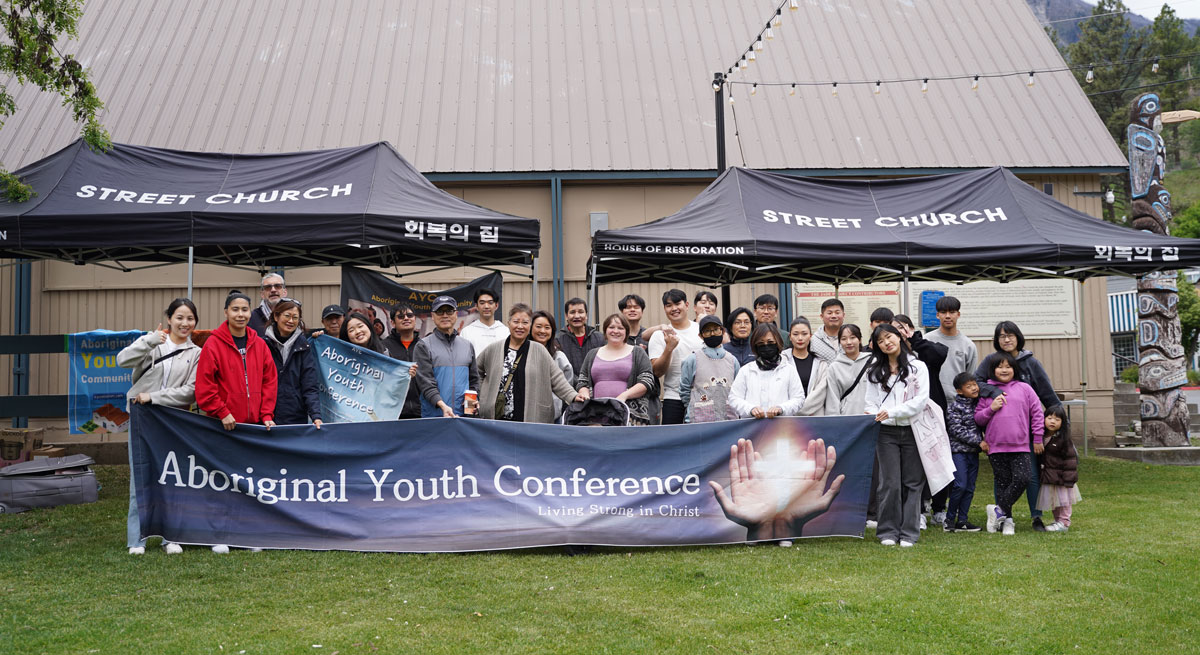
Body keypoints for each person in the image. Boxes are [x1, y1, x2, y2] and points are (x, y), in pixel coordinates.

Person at [196, 291, 277, 554]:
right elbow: (205, 387)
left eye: (244, 310)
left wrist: (266, 415)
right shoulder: (213, 344)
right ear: (226, 312)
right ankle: (220, 535)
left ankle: (249, 535)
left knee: (250, 484)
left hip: (252, 429)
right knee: (222, 483)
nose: (240, 314)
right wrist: (222, 411)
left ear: (250, 313)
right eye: (235, 309)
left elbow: (269, 381)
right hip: (223, 427)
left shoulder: (260, 344)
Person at [118, 298, 201, 556]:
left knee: (173, 479)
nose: (184, 323)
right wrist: (150, 340)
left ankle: (171, 537)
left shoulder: (196, 353)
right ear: (169, 319)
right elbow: (122, 360)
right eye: (179, 317)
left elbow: (190, 391)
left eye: (190, 318)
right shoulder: (153, 343)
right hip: (143, 419)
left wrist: (153, 397)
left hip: (174, 422)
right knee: (140, 477)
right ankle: (137, 539)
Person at [974, 320, 1060, 531]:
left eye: (1010, 335)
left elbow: (1046, 393)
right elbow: (977, 385)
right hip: (998, 433)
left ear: (1018, 337)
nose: (1006, 339)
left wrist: (1057, 423)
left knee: (1030, 475)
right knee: (1002, 477)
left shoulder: (1031, 363)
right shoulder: (990, 361)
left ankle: (1036, 516)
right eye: (1002, 336)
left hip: (1027, 431)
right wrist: (995, 392)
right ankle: (1004, 517)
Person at [863, 323, 930, 547]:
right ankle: (887, 531)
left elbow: (920, 401)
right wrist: (875, 413)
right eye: (880, 341)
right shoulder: (875, 371)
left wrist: (891, 412)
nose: (886, 343)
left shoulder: (917, 367)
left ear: (899, 337)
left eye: (889, 337)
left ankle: (909, 532)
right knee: (889, 483)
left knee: (913, 482)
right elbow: (870, 402)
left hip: (914, 430)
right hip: (885, 432)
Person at [975, 352, 1045, 536]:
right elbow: (978, 418)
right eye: (1000, 367)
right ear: (992, 370)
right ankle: (1007, 521)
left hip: (1020, 445)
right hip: (996, 446)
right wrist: (991, 408)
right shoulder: (987, 391)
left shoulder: (1024, 388)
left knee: (1023, 478)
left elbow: (1037, 413)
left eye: (1008, 366)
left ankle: (998, 510)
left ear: (1015, 369)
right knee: (1003, 483)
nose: (1004, 370)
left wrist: (1038, 437)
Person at [478, 303, 585, 423]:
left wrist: (573, 396)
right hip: (496, 419)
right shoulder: (494, 349)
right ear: (508, 323)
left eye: (525, 322)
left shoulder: (539, 350)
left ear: (530, 326)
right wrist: (483, 394)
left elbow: (557, 379)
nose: (520, 326)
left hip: (530, 420)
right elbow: (476, 372)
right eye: (516, 321)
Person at [893, 313, 949, 528]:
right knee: (913, 465)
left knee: (937, 458)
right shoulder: (894, 355)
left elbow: (939, 355)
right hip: (907, 415)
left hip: (932, 414)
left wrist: (914, 339)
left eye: (902, 327)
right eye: (894, 328)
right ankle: (918, 510)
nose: (899, 332)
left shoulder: (924, 348)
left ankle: (939, 508)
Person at [576, 314, 657, 425]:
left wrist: (624, 396)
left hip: (629, 416)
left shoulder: (638, 352)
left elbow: (647, 381)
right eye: (611, 327)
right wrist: (585, 396)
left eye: (620, 328)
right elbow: (582, 382)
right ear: (605, 330)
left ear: (626, 332)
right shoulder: (592, 354)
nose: (616, 331)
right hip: (595, 416)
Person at [413, 295, 480, 417]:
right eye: (440, 312)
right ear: (433, 316)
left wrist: (472, 402)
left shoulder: (467, 345)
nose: (445, 315)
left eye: (449, 311)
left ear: (456, 314)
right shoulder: (423, 346)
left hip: (463, 418)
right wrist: (442, 406)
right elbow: (426, 384)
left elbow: (474, 380)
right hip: (435, 417)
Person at [263, 299, 322, 427]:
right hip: (266, 417)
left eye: (295, 317)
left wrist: (316, 415)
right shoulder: (263, 344)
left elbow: (309, 385)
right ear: (276, 317)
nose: (291, 321)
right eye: (287, 316)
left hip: (296, 417)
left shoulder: (304, 346)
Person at [648, 289, 703, 424]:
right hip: (673, 397)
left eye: (677, 304)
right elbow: (657, 372)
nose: (674, 309)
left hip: (703, 396)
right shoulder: (659, 335)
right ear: (664, 309)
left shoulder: (701, 329)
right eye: (669, 305)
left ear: (687, 305)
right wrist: (669, 348)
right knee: (671, 436)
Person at [729, 323, 805, 420]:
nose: (766, 346)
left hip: (781, 425)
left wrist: (781, 408)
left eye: (770, 342)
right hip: (752, 426)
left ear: (777, 343)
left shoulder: (789, 370)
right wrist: (750, 409)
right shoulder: (746, 370)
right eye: (761, 343)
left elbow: (798, 398)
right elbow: (734, 398)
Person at [679, 315, 740, 423]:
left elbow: (738, 390)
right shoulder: (692, 359)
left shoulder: (732, 360)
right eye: (707, 331)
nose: (712, 334)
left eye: (716, 329)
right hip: (699, 422)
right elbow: (684, 389)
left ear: (722, 331)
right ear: (700, 335)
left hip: (728, 420)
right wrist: (693, 405)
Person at [945, 372, 984, 532]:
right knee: (960, 485)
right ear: (959, 391)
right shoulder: (954, 407)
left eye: (974, 384)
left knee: (970, 487)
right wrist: (979, 442)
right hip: (958, 452)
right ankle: (949, 519)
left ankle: (962, 520)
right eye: (969, 386)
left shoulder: (979, 404)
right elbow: (956, 430)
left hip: (973, 453)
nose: (974, 388)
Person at [923, 296, 977, 405]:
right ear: (937, 315)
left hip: (958, 404)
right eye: (943, 312)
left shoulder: (968, 345)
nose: (948, 316)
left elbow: (970, 377)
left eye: (952, 312)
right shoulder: (927, 340)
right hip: (930, 402)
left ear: (958, 314)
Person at [1037, 405, 1081, 532]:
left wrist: (1068, 478)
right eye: (1049, 418)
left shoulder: (1063, 440)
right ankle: (1058, 521)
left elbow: (1070, 460)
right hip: (1050, 476)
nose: (1053, 421)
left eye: (1057, 419)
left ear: (1062, 422)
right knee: (1054, 501)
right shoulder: (1041, 437)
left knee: (1064, 501)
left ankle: (1064, 522)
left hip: (1062, 478)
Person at [531, 310, 574, 420]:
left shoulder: (559, 357)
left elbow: (567, 385)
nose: (542, 331)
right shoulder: (523, 354)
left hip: (553, 416)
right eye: (538, 326)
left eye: (547, 327)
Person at [782, 316, 830, 416]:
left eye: (804, 334)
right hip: (788, 418)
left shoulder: (821, 364)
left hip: (814, 416)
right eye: (795, 334)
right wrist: (788, 409)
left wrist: (796, 410)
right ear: (790, 336)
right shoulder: (782, 361)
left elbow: (820, 393)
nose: (800, 338)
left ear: (810, 336)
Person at [382, 304, 423, 418]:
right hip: (393, 413)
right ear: (392, 323)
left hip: (422, 412)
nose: (406, 318)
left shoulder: (425, 346)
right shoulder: (383, 347)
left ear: (415, 319)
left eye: (409, 315)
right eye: (400, 316)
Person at [824, 324, 872, 415]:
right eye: (844, 339)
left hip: (871, 417)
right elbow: (832, 398)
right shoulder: (834, 367)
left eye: (852, 338)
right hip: (846, 417)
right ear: (839, 342)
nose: (848, 342)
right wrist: (833, 420)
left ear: (860, 340)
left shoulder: (872, 362)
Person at [556, 297, 605, 375]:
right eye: (572, 312)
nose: (577, 316)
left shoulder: (599, 338)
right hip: (569, 382)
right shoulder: (558, 340)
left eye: (581, 312)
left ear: (586, 315)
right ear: (566, 316)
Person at [460, 287, 510, 356]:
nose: (486, 306)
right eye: (482, 303)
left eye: (490, 303)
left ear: (496, 305)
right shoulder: (466, 332)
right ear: (476, 306)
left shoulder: (505, 331)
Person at [810, 298, 844, 363]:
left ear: (843, 315)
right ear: (821, 316)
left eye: (837, 313)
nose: (833, 316)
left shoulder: (851, 338)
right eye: (829, 313)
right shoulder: (813, 340)